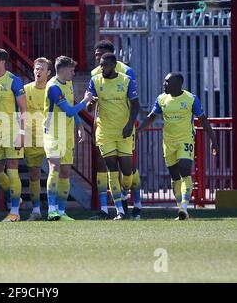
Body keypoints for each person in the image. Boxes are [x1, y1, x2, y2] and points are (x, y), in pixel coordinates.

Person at [137, 72, 218, 220]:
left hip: (185, 140)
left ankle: (184, 208)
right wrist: (138, 132)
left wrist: (213, 140)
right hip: (168, 142)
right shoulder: (162, 99)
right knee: (175, 176)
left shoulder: (190, 99)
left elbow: (203, 120)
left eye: (167, 82)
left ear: (177, 84)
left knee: (185, 169)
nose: (164, 84)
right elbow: (151, 117)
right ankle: (181, 208)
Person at [89, 40, 142, 219]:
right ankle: (110, 208)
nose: (98, 62)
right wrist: (94, 124)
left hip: (125, 128)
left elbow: (135, 103)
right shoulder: (94, 76)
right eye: (97, 57)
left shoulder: (127, 74)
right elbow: (91, 103)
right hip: (104, 129)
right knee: (107, 167)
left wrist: (131, 125)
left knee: (127, 169)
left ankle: (132, 199)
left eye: (101, 56)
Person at [43, 56, 93, 221]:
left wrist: (79, 126)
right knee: (55, 168)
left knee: (65, 172)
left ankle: (62, 211)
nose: (74, 73)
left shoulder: (68, 84)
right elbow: (69, 111)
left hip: (67, 134)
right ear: (63, 70)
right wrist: (86, 101)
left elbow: (72, 110)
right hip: (53, 133)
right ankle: (51, 211)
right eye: (72, 70)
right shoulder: (53, 88)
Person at [0, 48, 27, 222]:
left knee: (13, 169)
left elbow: (24, 109)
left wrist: (22, 134)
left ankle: (14, 212)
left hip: (12, 131)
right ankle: (17, 198)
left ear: (2, 62)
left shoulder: (14, 81)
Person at [23, 57, 52, 221]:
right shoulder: (26, 90)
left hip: (51, 137)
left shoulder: (53, 89)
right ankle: (36, 211)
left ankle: (55, 209)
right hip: (32, 138)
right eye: (36, 69)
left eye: (42, 69)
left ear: (48, 73)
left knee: (55, 172)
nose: (38, 71)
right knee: (34, 175)